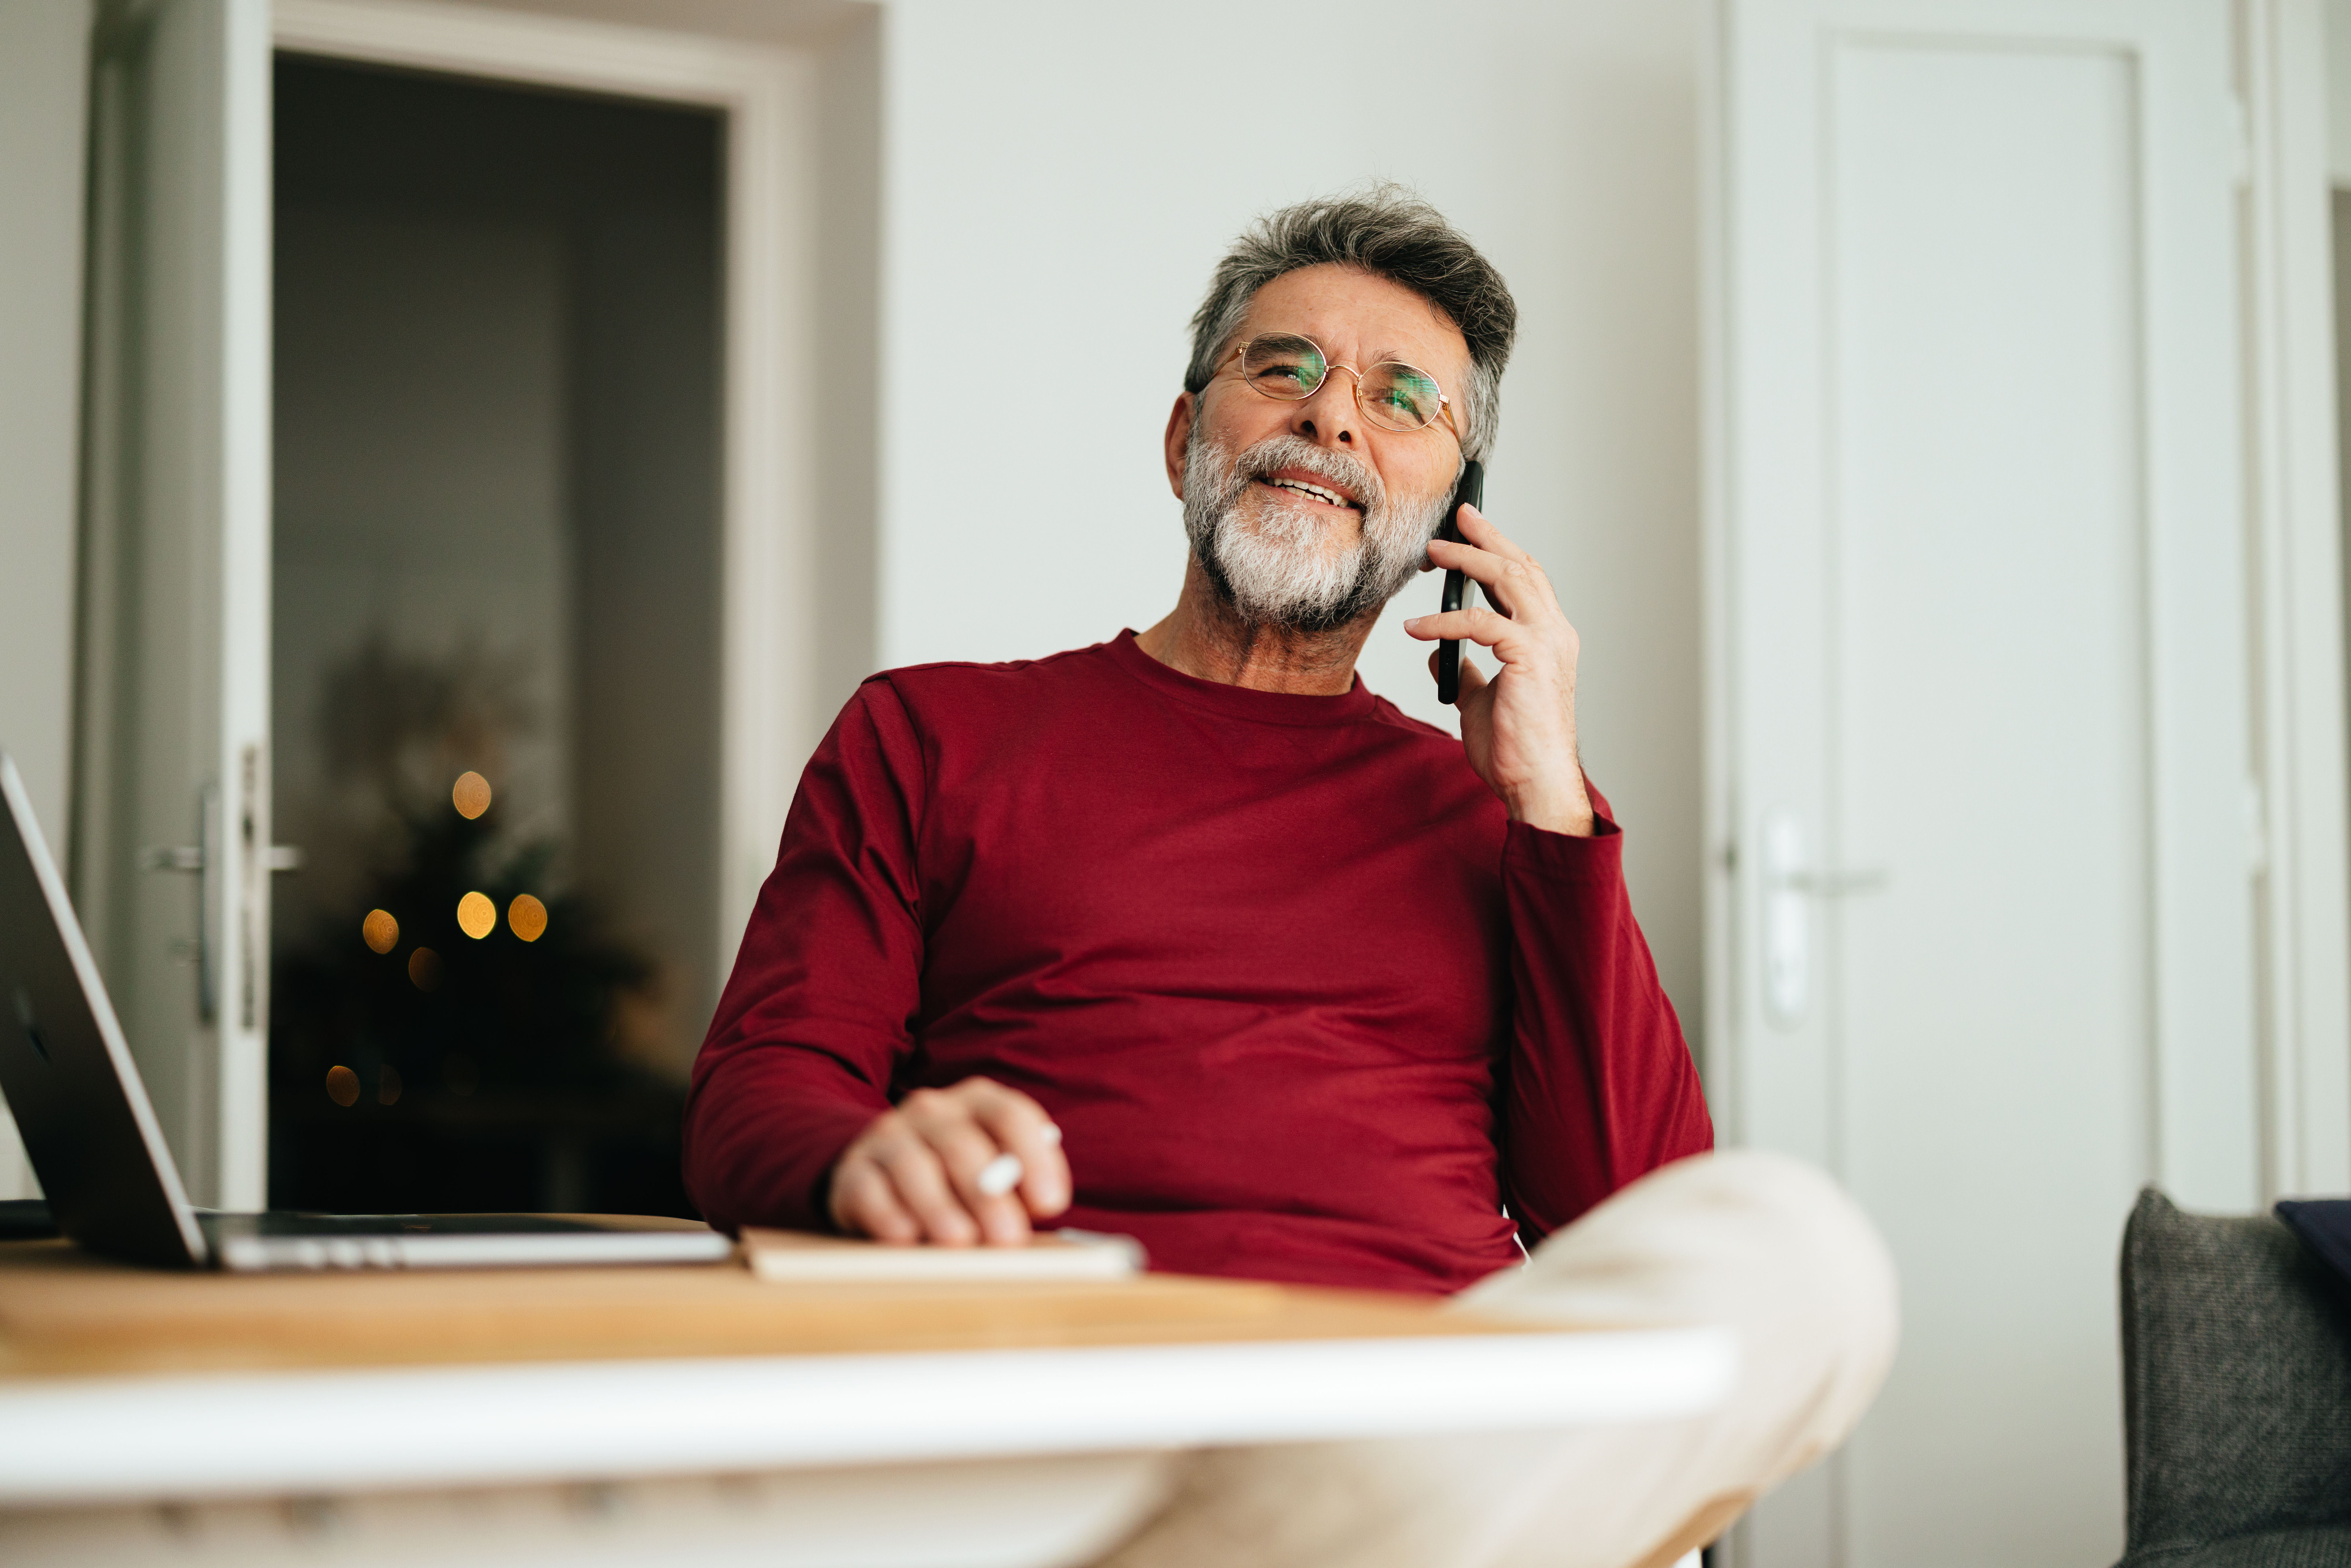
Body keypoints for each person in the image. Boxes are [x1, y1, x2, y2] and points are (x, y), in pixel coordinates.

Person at [684, 188, 1895, 1568]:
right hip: (1072, 1398)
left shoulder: (1495, 815)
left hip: (1417, 1418)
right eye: (1285, 368)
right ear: (1181, 437)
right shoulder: (927, 734)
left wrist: (1554, 805)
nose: (1330, 418)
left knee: (1808, 1258)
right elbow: (753, 1095)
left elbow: (1628, 1221)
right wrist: (862, 1158)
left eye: (1400, 398)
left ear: (1455, 511)